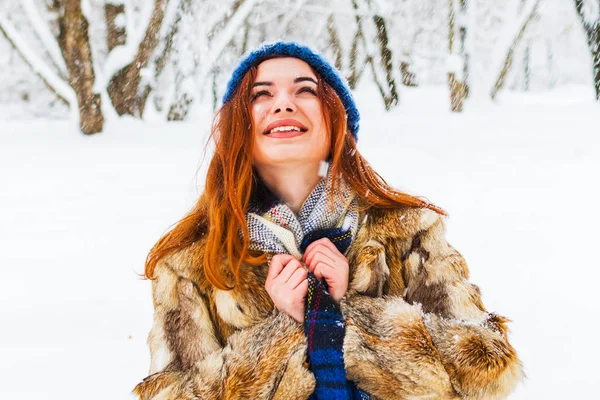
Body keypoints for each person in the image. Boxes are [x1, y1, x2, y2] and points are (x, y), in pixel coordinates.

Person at [133, 42, 522, 400]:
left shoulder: (409, 232)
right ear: (239, 127)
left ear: (335, 119)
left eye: (305, 90)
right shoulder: (190, 263)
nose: (283, 104)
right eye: (261, 94)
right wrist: (283, 331)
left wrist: (347, 313)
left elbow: (485, 370)